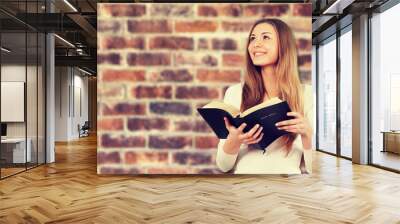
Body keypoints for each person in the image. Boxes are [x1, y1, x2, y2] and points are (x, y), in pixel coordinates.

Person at [216, 18, 314, 174]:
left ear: (284, 45)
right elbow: (223, 166)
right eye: (253, 38)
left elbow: (312, 169)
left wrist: (307, 135)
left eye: (265, 37)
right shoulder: (235, 93)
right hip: (245, 187)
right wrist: (233, 141)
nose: (256, 44)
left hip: (288, 187)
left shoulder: (306, 94)